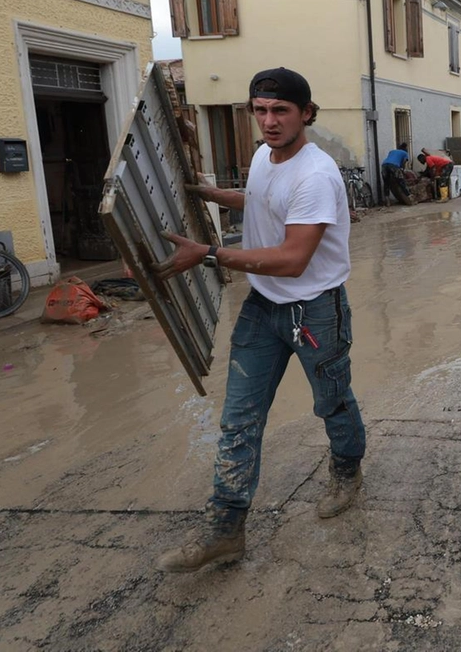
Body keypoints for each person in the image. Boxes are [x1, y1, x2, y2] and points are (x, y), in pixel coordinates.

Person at [152, 68, 366, 572]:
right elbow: (262, 200)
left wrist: (207, 254)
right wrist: (206, 194)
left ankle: (347, 470)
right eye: (260, 110)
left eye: (281, 111)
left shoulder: (316, 174)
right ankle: (226, 530)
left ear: (306, 114)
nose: (269, 121)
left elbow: (293, 258)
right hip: (262, 307)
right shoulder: (263, 158)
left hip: (315, 309)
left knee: (332, 400)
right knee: (238, 419)